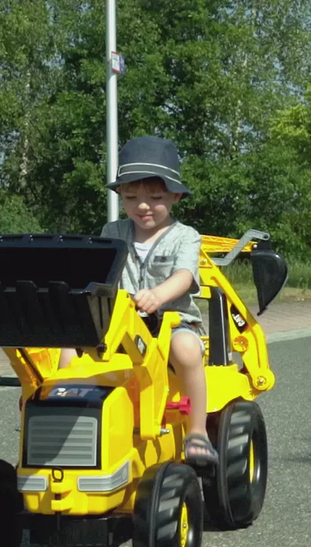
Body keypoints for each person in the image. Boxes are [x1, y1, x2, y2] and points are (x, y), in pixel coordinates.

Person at [62, 135, 218, 471]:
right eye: (131, 196)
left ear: (176, 196)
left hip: (171, 322)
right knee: (70, 345)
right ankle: (67, 410)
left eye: (155, 196)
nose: (142, 205)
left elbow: (185, 277)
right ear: (120, 196)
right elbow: (97, 271)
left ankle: (197, 432)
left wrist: (159, 295)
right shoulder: (113, 231)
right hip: (119, 321)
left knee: (188, 351)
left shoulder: (185, 235)